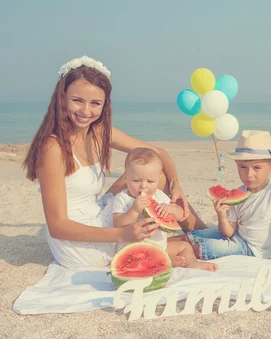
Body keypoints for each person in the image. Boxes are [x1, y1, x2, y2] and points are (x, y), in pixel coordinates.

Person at [23, 55, 208, 270]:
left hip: (96, 212)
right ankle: (203, 239)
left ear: (104, 105)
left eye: (95, 103)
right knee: (180, 241)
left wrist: (177, 187)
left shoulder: (98, 131)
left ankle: (202, 233)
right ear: (62, 98)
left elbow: (158, 153)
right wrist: (123, 233)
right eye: (77, 100)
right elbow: (57, 227)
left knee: (150, 174)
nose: (85, 111)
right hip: (76, 242)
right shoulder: (52, 148)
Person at [171, 130, 271, 269]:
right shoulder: (239, 192)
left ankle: (167, 258)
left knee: (198, 248)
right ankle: (155, 247)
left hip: (254, 250)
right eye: (243, 167)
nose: (249, 174)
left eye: (257, 168)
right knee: (188, 237)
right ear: (236, 164)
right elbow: (228, 232)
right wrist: (222, 216)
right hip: (236, 236)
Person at [112, 147, 217, 271]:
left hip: (161, 247)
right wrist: (134, 210)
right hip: (135, 252)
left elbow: (181, 214)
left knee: (184, 246)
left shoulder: (159, 196)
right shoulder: (122, 198)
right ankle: (166, 262)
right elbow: (118, 222)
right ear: (126, 178)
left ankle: (191, 263)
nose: (143, 186)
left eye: (150, 181)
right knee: (138, 261)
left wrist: (172, 209)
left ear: (158, 179)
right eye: (136, 180)